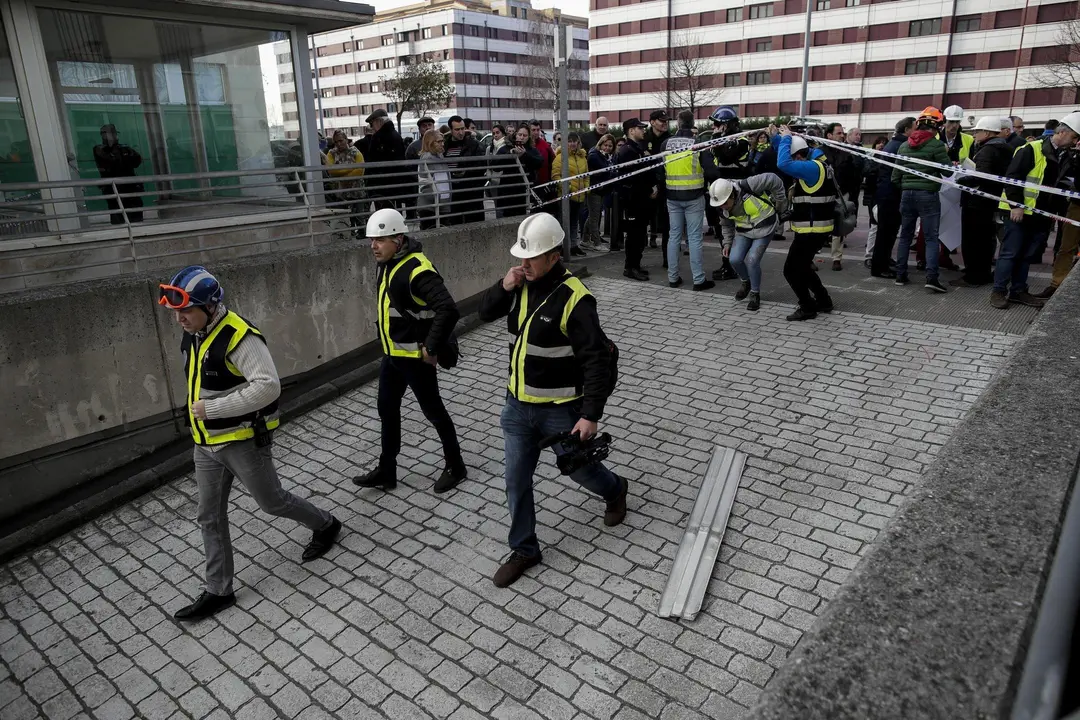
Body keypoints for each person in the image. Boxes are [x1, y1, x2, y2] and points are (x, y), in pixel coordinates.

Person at [157, 266, 341, 621]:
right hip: (206, 444)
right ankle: (218, 590)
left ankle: (326, 524)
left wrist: (211, 408)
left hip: (241, 442)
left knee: (272, 503)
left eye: (186, 311)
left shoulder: (240, 337)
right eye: (176, 313)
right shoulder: (193, 334)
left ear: (210, 307)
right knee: (208, 516)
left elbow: (268, 387)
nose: (179, 319)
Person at [478, 213, 627, 588]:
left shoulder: (575, 299)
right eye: (522, 257)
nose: (524, 264)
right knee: (515, 480)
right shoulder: (520, 283)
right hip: (516, 407)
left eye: (533, 258)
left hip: (561, 411)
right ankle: (525, 549)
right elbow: (484, 312)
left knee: (582, 472)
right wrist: (505, 284)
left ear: (554, 256)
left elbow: (596, 360)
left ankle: (615, 490)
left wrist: (590, 415)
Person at [353, 208, 469, 491]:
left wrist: (431, 347)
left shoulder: (417, 269)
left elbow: (448, 309)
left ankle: (456, 466)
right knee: (387, 409)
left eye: (380, 240)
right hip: (393, 356)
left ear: (398, 239)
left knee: (434, 412)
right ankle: (387, 470)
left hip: (415, 358)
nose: (373, 246)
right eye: (372, 240)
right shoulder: (389, 263)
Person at [990, 115, 1079, 309]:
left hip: (1041, 214)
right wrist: (1016, 206)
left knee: (1026, 255)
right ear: (1062, 132)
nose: (1075, 142)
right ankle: (998, 291)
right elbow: (1012, 178)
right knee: (1010, 253)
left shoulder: (1067, 155)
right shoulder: (1030, 149)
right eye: (1074, 137)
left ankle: (1018, 291)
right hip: (1020, 212)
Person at [776, 128, 836, 320]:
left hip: (813, 229)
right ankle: (823, 300)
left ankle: (807, 306)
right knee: (802, 266)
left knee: (791, 270)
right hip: (817, 227)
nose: (793, 165)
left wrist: (786, 137)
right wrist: (777, 137)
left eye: (794, 158)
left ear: (799, 155)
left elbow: (782, 163)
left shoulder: (811, 168)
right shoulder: (819, 163)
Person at [890, 107, 951, 293]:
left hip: (906, 195)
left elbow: (895, 177)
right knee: (932, 238)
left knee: (906, 236)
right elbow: (947, 172)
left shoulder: (904, 145)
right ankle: (932, 278)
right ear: (937, 127)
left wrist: (907, 186)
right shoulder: (936, 145)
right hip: (928, 196)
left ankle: (901, 275)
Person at [709, 174, 789, 312]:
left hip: (765, 228)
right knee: (734, 259)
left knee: (752, 260)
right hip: (744, 231)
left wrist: (780, 202)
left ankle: (755, 293)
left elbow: (774, 179)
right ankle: (746, 283)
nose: (723, 207)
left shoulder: (749, 185)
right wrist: (727, 243)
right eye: (720, 205)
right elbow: (726, 225)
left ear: (732, 195)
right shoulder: (722, 207)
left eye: (725, 203)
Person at [952, 117, 1013, 287]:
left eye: (977, 131)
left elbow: (982, 176)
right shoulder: (1005, 148)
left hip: (976, 202)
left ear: (986, 132)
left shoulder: (987, 150)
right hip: (990, 201)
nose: (974, 135)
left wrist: (962, 179)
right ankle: (982, 272)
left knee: (972, 240)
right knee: (986, 240)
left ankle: (973, 276)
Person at [656, 109, 712, 290]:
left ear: (678, 123)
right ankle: (698, 280)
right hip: (694, 196)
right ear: (693, 122)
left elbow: (659, 171)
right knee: (694, 238)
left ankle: (673, 278)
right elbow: (711, 170)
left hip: (672, 197)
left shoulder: (665, 144)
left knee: (674, 236)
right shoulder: (697, 143)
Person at [701, 106, 749, 282]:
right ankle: (728, 263)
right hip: (723, 192)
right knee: (724, 230)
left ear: (726, 124)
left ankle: (733, 265)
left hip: (736, 194)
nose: (714, 127)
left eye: (716, 124)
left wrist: (716, 139)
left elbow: (725, 158)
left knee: (734, 230)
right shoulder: (723, 140)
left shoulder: (740, 140)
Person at [870, 117, 915, 279]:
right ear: (907, 130)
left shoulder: (893, 144)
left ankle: (884, 260)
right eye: (915, 128)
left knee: (887, 232)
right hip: (891, 195)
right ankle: (879, 267)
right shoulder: (900, 146)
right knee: (886, 233)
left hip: (887, 194)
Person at [615, 118, 656, 281]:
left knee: (639, 234)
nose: (643, 130)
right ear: (631, 131)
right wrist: (648, 189)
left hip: (640, 199)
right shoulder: (627, 151)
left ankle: (636, 265)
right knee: (633, 235)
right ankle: (630, 267)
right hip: (633, 200)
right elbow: (634, 178)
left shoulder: (637, 148)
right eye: (640, 128)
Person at [822, 122, 856, 271]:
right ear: (829, 135)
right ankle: (809, 257)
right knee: (819, 225)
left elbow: (852, 173)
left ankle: (836, 258)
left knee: (839, 226)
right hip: (822, 194)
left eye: (843, 133)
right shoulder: (819, 152)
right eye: (839, 133)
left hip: (841, 194)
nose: (842, 136)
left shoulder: (846, 152)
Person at [93, 124, 144, 224]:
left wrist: (122, 154)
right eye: (110, 134)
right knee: (117, 212)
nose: (113, 136)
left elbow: (137, 160)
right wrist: (120, 155)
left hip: (130, 186)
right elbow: (111, 162)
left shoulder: (124, 148)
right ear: (103, 135)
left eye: (114, 133)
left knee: (135, 212)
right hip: (114, 188)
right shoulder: (99, 149)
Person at [552, 133, 590, 256]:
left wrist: (586, 189)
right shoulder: (560, 157)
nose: (572, 144)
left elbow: (586, 175)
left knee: (575, 222)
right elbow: (556, 176)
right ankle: (564, 247)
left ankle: (574, 245)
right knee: (564, 223)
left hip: (580, 196)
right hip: (566, 197)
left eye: (575, 141)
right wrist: (567, 188)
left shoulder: (582, 157)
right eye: (570, 141)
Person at [443, 115, 486, 224]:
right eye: (457, 129)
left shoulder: (474, 144)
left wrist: (466, 172)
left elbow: (482, 165)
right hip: (452, 191)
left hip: (471, 191)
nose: (461, 132)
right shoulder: (444, 145)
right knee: (454, 223)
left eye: (462, 128)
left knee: (474, 223)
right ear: (451, 130)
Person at [360, 110, 406, 211]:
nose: (372, 128)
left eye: (372, 124)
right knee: (395, 212)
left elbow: (372, 161)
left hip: (381, 184)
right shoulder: (397, 135)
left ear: (378, 121)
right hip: (396, 183)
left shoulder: (378, 137)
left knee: (383, 213)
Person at [494, 124, 542, 219]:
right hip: (507, 191)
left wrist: (525, 155)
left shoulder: (532, 150)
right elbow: (495, 165)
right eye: (520, 134)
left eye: (524, 135)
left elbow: (539, 163)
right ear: (515, 134)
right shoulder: (506, 148)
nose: (521, 137)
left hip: (525, 192)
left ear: (528, 137)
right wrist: (511, 155)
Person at [326, 130, 366, 231]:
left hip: (356, 191)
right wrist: (350, 168)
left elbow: (360, 171)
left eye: (341, 141)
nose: (339, 144)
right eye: (336, 142)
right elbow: (331, 170)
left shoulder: (355, 151)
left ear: (346, 140)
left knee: (360, 217)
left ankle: (362, 235)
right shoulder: (331, 153)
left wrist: (340, 173)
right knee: (344, 218)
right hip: (340, 193)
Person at [644, 110, 672, 252]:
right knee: (645, 217)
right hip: (647, 183)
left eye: (666, 121)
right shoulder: (644, 137)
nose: (665, 123)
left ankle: (667, 253)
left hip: (665, 183)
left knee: (666, 219)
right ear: (652, 122)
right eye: (662, 121)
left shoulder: (670, 139)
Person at [583, 134, 615, 251]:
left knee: (592, 216)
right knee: (594, 218)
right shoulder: (594, 156)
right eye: (605, 145)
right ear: (600, 144)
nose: (607, 148)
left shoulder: (606, 156)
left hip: (601, 191)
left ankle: (585, 240)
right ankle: (596, 243)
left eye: (610, 146)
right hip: (595, 190)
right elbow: (605, 170)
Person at [417, 130, 452, 230]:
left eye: (443, 141)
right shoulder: (428, 158)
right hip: (431, 206)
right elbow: (426, 182)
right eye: (439, 141)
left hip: (441, 204)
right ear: (430, 142)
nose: (442, 144)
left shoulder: (439, 156)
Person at [862, 135, 888, 268]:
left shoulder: (889, 157)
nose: (881, 145)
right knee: (874, 224)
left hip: (885, 195)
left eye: (884, 143)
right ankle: (869, 255)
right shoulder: (870, 156)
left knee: (884, 226)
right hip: (873, 195)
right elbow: (867, 171)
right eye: (879, 142)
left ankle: (882, 254)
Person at [530, 120, 556, 211]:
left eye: (538, 130)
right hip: (528, 186)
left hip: (543, 185)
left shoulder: (545, 145)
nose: (536, 132)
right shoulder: (524, 145)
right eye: (533, 130)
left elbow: (553, 162)